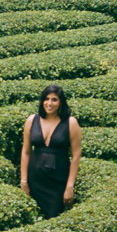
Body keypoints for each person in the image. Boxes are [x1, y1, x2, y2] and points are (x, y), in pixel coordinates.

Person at [19, 84, 82, 218]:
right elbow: (26, 152)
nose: (49, 103)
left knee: (53, 217)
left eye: (54, 99)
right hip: (35, 179)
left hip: (58, 181)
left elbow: (76, 156)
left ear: (61, 103)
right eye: (46, 99)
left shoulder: (70, 123)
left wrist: (69, 186)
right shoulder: (32, 120)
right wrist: (24, 181)